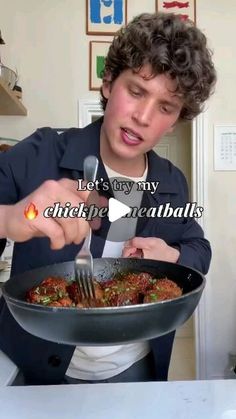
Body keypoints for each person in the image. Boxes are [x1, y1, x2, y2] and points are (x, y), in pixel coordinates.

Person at [0, 12, 216, 385]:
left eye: (165, 107)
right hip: (35, 364)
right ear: (108, 83)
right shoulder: (40, 153)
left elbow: (200, 246)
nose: (143, 118)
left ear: (177, 118)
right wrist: (10, 218)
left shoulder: (171, 182)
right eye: (136, 91)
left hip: (134, 367)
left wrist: (175, 256)